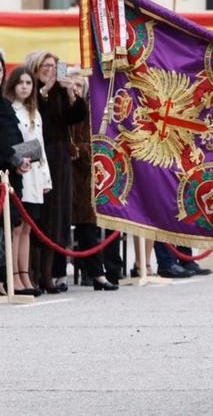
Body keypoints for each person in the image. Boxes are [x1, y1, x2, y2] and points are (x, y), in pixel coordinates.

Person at [25, 51, 87, 294]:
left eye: (54, 65)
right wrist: (45, 90)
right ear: (36, 67)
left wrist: (71, 93)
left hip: (60, 158)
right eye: (46, 65)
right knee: (40, 215)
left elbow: (74, 117)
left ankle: (49, 274)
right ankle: (33, 273)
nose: (50, 69)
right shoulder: (30, 89)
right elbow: (39, 116)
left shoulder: (60, 91)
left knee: (57, 218)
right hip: (41, 154)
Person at [69, 72, 120, 291]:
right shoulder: (64, 109)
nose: (76, 89)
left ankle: (105, 272)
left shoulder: (93, 111)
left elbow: (100, 143)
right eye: (73, 85)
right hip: (66, 176)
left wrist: (80, 151)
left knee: (100, 223)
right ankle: (64, 274)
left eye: (80, 85)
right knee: (77, 225)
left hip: (91, 177)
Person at [4, 66, 50, 296]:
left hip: (34, 174)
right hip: (18, 172)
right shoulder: (10, 109)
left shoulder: (36, 112)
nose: (25, 86)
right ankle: (15, 276)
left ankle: (25, 274)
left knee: (28, 230)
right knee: (16, 228)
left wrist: (45, 178)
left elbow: (40, 146)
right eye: (20, 82)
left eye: (29, 83)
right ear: (12, 85)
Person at [0, 56, 32, 296]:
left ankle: (8, 279)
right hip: (5, 168)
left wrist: (20, 160)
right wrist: (14, 158)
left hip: (10, 174)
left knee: (10, 227)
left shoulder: (3, 104)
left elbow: (12, 138)